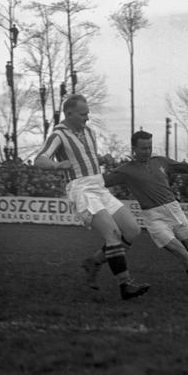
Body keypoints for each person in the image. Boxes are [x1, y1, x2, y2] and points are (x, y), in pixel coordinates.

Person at [33, 94, 149, 301]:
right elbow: (39, 160)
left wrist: (102, 159)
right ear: (69, 113)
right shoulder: (59, 135)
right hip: (81, 189)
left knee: (132, 230)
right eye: (83, 113)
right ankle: (126, 285)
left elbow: (87, 158)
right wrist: (57, 165)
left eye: (88, 113)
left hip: (99, 185)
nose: (87, 117)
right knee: (112, 233)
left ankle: (93, 262)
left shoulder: (89, 132)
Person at [84, 130, 188, 291]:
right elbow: (101, 182)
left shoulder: (160, 161)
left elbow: (180, 166)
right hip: (155, 219)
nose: (147, 151)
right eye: (143, 148)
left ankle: (94, 261)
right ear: (134, 149)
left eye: (149, 147)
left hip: (176, 213)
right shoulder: (126, 170)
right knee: (183, 254)